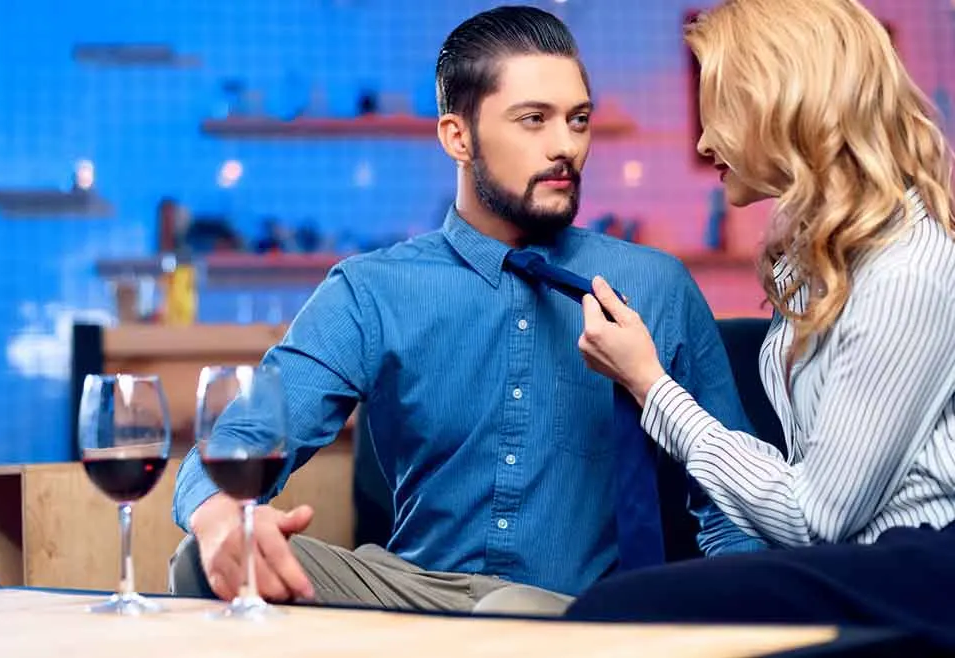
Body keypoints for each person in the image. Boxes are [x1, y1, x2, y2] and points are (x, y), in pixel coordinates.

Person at [169, 5, 764, 617]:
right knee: (201, 558)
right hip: (412, 606)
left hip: (578, 617)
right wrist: (219, 518)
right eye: (533, 120)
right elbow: (239, 441)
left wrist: (724, 626)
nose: (565, 146)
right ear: (459, 137)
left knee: (524, 611)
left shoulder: (655, 285)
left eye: (578, 120)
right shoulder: (371, 290)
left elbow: (733, 510)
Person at [567, 0, 955, 647]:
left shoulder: (907, 273)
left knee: (608, 616)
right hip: (865, 558)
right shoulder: (834, 254)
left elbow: (814, 517)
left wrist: (651, 387)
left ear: (780, 103)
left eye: (717, 105)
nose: (700, 138)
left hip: (923, 567)